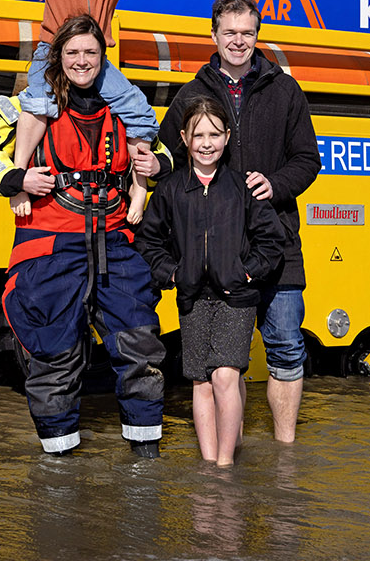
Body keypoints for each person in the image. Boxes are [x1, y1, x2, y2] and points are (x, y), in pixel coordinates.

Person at [0, 14, 169, 457]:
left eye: (91, 53)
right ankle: (58, 467)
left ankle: (146, 461)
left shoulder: (126, 107)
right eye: (73, 52)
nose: (82, 61)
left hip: (115, 243)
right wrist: (17, 179)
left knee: (140, 348)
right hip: (49, 247)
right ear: (58, 57)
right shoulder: (22, 109)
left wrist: (159, 167)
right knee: (54, 355)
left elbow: (162, 152)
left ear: (102, 57)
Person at [157, 0, 321, 443]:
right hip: (219, 250)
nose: (238, 41)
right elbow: (168, 159)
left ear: (257, 36)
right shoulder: (192, 94)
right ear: (213, 35)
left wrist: (277, 184)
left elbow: (308, 159)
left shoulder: (285, 90)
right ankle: (235, 451)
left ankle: (285, 451)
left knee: (287, 345)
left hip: (279, 238)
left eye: (247, 33)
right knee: (225, 361)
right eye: (229, 32)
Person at [136, 96, 287, 466]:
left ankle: (225, 465)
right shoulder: (171, 189)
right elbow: (148, 240)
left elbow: (272, 239)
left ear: (227, 137)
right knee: (200, 382)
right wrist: (171, 273)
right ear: (185, 138)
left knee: (224, 376)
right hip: (190, 297)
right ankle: (208, 466)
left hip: (237, 297)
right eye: (199, 135)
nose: (207, 143)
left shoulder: (242, 187)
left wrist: (247, 271)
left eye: (215, 134)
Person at [8, 0, 168, 216]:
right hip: (53, 52)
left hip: (96, 60)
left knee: (139, 113)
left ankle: (138, 188)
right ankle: (19, 181)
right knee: (37, 105)